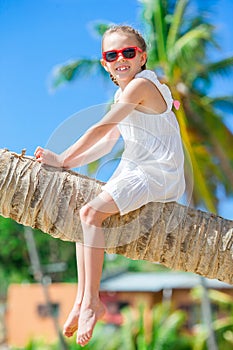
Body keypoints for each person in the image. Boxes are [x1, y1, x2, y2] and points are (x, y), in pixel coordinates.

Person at [35, 25, 185, 346]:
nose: (121, 59)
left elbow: (102, 128)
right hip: (136, 166)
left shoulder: (141, 86)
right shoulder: (124, 94)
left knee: (91, 213)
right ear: (104, 63)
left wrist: (61, 159)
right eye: (112, 55)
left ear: (141, 57)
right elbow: (106, 146)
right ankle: (81, 300)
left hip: (157, 171)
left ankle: (92, 301)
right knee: (84, 219)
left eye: (128, 52)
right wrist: (67, 163)